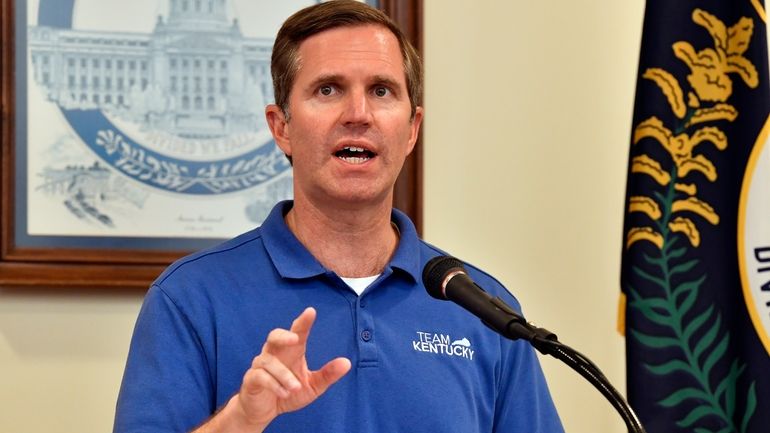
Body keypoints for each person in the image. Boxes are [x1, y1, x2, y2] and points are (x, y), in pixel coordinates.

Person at [113, 1, 564, 432]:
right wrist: (240, 423)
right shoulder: (189, 299)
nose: (358, 114)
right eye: (328, 89)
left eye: (381, 91)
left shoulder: (482, 308)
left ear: (412, 129)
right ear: (281, 127)